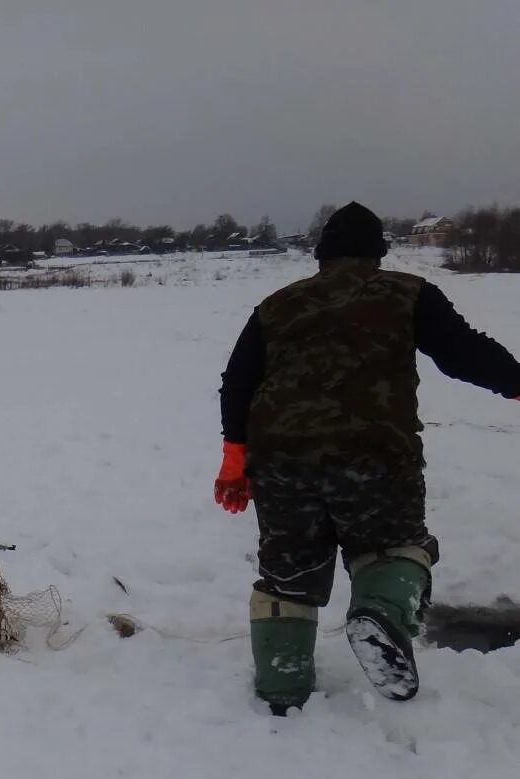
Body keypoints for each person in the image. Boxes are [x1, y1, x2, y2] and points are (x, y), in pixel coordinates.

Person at [214, 202, 520, 713]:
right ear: (379, 251)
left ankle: (281, 691)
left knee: (286, 577)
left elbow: (238, 383)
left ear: (321, 254)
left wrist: (234, 454)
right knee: (395, 548)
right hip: (375, 457)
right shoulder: (406, 292)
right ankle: (378, 612)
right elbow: (463, 351)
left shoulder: (277, 305)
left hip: (282, 461)